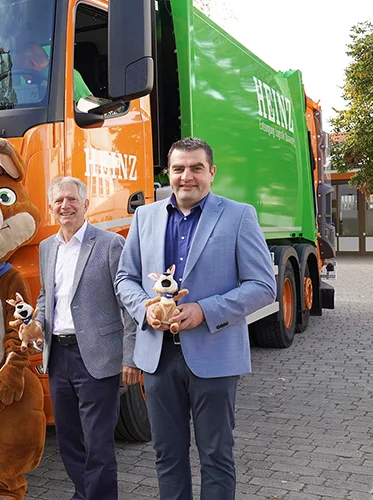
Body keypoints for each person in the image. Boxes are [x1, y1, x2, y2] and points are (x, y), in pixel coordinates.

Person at [115, 137, 276, 499]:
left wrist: (204, 310)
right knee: (166, 455)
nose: (187, 176)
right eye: (179, 169)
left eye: (196, 168)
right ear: (168, 174)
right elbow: (124, 277)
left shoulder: (238, 215)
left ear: (211, 172)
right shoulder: (145, 216)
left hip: (214, 354)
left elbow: (263, 285)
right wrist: (145, 306)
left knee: (216, 455)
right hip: (158, 357)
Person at [21, 177, 127, 500]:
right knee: (68, 439)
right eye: (58, 201)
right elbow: (45, 298)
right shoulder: (46, 247)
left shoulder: (109, 244)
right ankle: (85, 493)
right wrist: (36, 323)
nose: (65, 206)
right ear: (51, 208)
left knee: (98, 443)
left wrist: (133, 356)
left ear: (85, 204)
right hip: (59, 356)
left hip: (96, 355)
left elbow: (128, 302)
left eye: (71, 200)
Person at [15, 43, 93, 102]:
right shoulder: (33, 81)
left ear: (32, 64)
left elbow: (89, 107)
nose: (22, 76)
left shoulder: (67, 75)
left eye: (23, 72)